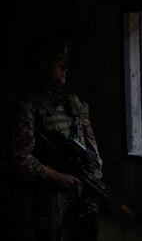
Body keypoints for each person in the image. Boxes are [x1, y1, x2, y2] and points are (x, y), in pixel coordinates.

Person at [9, 35, 103, 241]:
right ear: (44, 68)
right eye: (59, 66)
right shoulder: (28, 107)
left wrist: (95, 171)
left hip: (80, 193)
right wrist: (55, 176)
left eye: (65, 65)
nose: (65, 70)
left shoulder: (75, 103)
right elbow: (20, 158)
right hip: (49, 199)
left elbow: (91, 147)